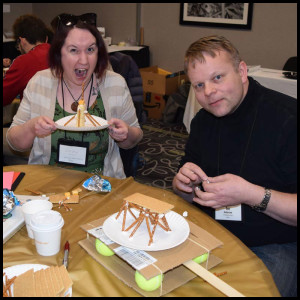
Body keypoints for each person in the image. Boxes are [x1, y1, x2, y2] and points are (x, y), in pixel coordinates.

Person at [172, 35, 297, 297]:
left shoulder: (287, 120)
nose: (208, 92)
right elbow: (185, 193)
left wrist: (250, 194)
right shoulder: (203, 122)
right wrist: (182, 184)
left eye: (218, 78)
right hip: (210, 234)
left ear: (241, 71)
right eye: (199, 85)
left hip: (274, 244)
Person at [6, 13, 143, 179]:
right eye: (73, 50)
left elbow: (135, 137)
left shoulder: (115, 84)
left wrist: (126, 134)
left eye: (90, 50)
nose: (84, 60)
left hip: (103, 186)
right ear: (58, 53)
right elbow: (15, 143)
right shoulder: (39, 83)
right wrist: (31, 127)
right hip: (46, 185)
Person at [3, 14, 52, 106]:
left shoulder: (23, 62)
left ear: (22, 40)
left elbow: (4, 97)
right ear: (46, 38)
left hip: (36, 117)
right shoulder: (64, 53)